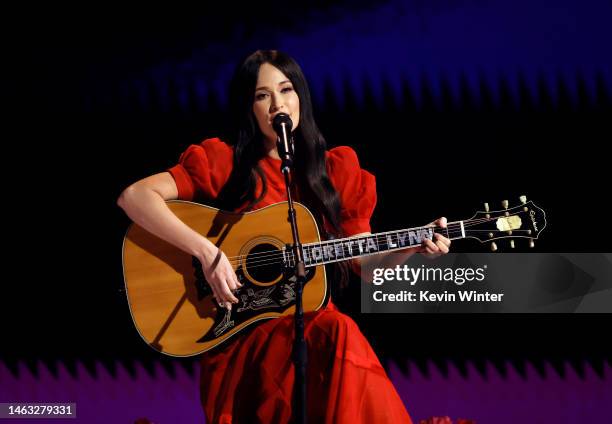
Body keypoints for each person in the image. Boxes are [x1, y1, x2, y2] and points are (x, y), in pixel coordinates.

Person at [118, 50, 450, 424]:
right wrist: (207, 252)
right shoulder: (224, 163)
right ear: (250, 107)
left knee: (338, 329)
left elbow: (365, 267)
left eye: (286, 89)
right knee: (338, 330)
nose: (278, 103)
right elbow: (134, 197)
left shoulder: (333, 173)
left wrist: (412, 244)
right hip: (241, 337)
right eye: (262, 95)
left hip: (314, 331)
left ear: (301, 98)